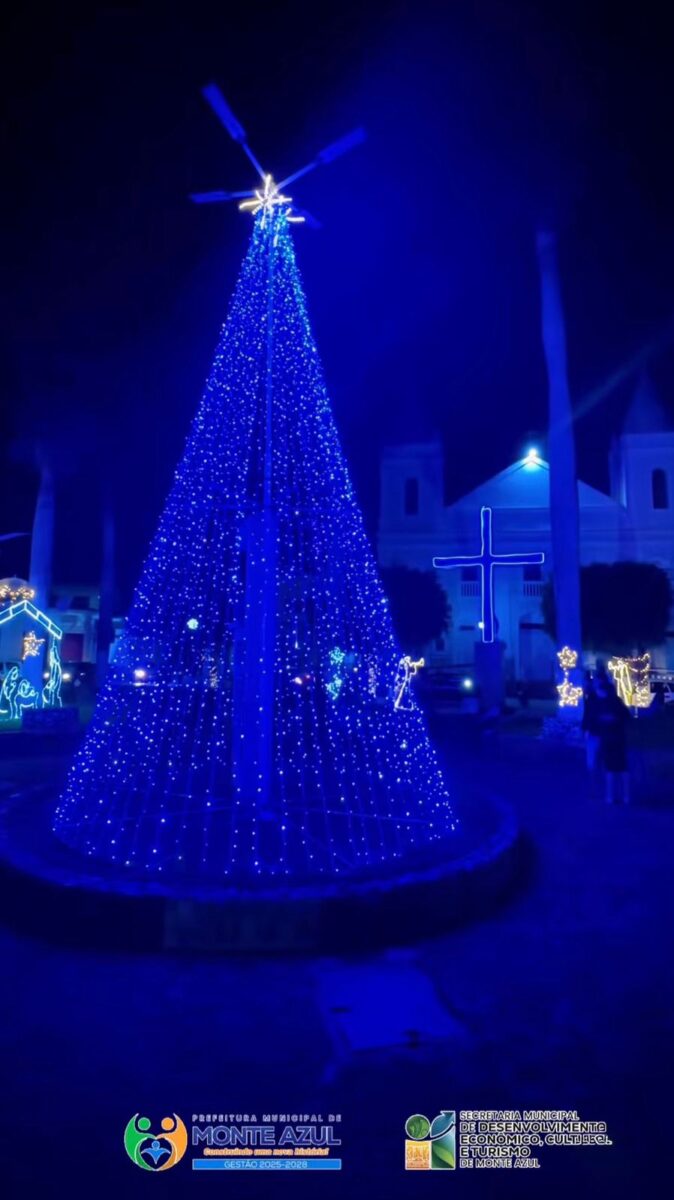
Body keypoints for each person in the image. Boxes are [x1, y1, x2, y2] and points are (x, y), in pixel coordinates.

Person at [593, 666, 631, 804]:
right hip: (619, 738)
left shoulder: (602, 704)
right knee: (622, 769)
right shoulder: (617, 702)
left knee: (610, 770)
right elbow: (626, 717)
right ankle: (625, 797)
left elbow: (597, 720)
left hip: (609, 739)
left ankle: (610, 797)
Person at [581, 669, 601, 772]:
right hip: (595, 728)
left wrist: (585, 728)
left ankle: (592, 769)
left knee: (592, 750)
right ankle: (593, 768)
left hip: (594, 729)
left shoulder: (592, 699)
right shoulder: (591, 698)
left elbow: (589, 714)